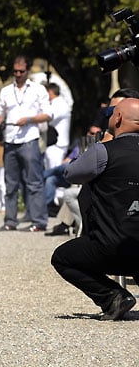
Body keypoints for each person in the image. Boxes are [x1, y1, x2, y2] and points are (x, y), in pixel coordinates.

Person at [51, 98, 139, 320]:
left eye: (112, 113)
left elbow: (71, 174)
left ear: (118, 118)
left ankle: (112, 297)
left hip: (111, 248)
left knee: (62, 257)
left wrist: (104, 144)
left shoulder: (104, 152)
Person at [0, 55, 51, 232]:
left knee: (34, 182)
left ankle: (39, 221)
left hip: (29, 138)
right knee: (10, 184)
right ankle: (10, 220)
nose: (18, 74)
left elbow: (48, 114)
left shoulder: (38, 89)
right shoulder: (5, 91)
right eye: (15, 71)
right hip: (10, 139)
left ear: (27, 71)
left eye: (21, 71)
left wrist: (28, 119)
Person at [44, 82, 71, 169]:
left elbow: (48, 117)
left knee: (53, 173)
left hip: (57, 145)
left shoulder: (60, 104)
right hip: (52, 144)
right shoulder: (55, 104)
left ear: (50, 92)